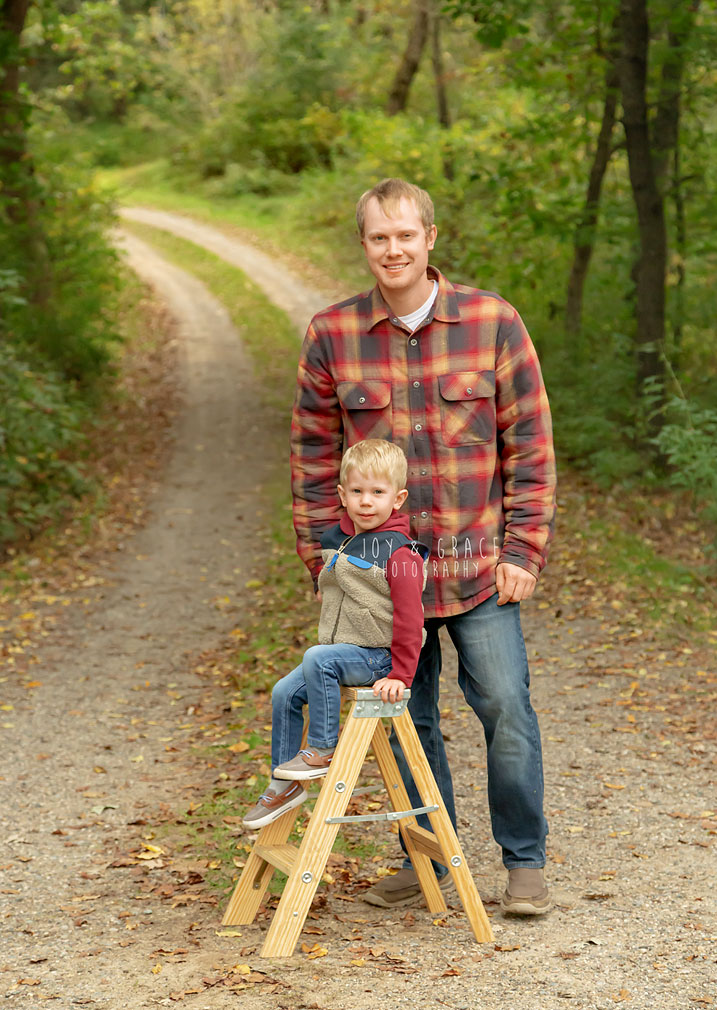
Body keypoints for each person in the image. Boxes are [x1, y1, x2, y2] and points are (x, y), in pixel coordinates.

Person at [290, 178, 557, 915]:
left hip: (477, 569)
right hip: (381, 577)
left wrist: (523, 549)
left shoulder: (492, 322)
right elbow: (313, 459)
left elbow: (529, 445)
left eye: (405, 235)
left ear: (429, 237)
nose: (393, 249)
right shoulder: (332, 334)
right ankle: (430, 862)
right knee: (404, 716)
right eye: (379, 237)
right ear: (364, 245)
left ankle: (523, 863)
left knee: (505, 705)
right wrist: (326, 560)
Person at [242, 439, 428, 829]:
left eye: (378, 493)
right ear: (343, 495)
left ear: (398, 498)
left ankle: (322, 749)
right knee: (283, 693)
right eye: (357, 492)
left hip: (377, 656)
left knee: (316, 657)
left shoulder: (401, 552)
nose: (366, 501)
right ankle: (282, 784)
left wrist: (400, 675)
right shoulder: (335, 541)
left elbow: (412, 620)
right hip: (342, 651)